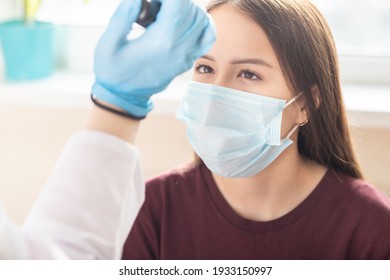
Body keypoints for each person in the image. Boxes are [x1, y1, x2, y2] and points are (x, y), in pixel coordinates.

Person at [122, 0, 390, 260]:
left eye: (249, 74)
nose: (215, 97)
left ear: (305, 105)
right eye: (205, 68)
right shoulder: (151, 208)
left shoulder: (372, 228)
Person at [0, 0, 215, 259]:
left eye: (249, 74)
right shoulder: (160, 203)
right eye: (204, 67)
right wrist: (119, 103)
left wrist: (118, 103)